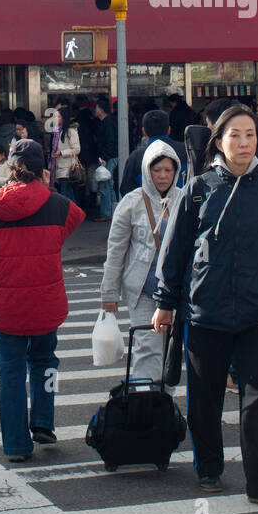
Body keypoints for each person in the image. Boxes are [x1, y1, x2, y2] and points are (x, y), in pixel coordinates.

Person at [152, 105, 258, 506]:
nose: (245, 142)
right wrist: (165, 302)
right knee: (205, 400)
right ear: (219, 141)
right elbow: (175, 250)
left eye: (251, 134)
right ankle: (210, 469)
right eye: (236, 134)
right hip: (204, 315)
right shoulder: (198, 189)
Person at [0, 139, 84, 462]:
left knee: (10, 371)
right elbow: (73, 221)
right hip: (46, 302)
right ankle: (43, 421)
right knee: (45, 361)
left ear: (9, 169)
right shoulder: (58, 206)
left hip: (5, 306)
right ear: (43, 169)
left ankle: (16, 445)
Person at [101, 139, 183, 382]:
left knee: (170, 354)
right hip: (143, 291)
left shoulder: (185, 198)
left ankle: (164, 405)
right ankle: (145, 405)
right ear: (147, 170)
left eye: (168, 170)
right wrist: (109, 293)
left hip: (177, 291)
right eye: (156, 170)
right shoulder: (132, 202)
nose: (163, 176)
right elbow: (115, 250)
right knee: (147, 348)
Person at [118, 109, 186, 197]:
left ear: (143, 131)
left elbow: (126, 190)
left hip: (147, 209)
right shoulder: (187, 151)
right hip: (183, 208)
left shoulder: (136, 156)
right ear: (169, 130)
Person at [47, 108, 82, 204]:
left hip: (68, 168)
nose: (55, 119)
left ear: (64, 118)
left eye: (58, 116)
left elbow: (77, 149)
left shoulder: (70, 131)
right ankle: (73, 215)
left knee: (66, 194)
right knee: (66, 194)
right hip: (59, 167)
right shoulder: (56, 132)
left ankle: (72, 215)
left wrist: (61, 152)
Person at [93, 96, 118, 221]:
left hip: (108, 157)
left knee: (105, 185)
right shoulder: (107, 121)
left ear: (101, 110)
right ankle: (114, 211)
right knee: (109, 184)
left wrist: (105, 158)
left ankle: (106, 213)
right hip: (110, 156)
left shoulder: (107, 122)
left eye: (96, 107)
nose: (95, 110)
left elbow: (109, 141)